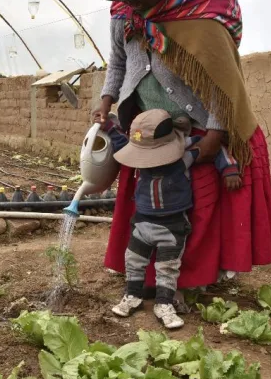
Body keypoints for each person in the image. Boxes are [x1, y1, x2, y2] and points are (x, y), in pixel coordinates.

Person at [94, 0, 271, 299]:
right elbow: (117, 63)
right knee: (151, 207)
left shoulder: (199, 15)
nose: (131, 1)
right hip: (149, 131)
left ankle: (192, 279)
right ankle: (150, 276)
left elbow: (222, 82)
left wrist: (216, 132)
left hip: (197, 127)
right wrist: (106, 101)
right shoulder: (122, 15)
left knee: (194, 206)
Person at [101, 110, 240, 329]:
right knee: (134, 261)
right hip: (142, 223)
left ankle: (164, 303)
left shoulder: (184, 156)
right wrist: (109, 125)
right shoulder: (140, 160)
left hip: (173, 226)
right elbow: (121, 141)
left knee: (168, 267)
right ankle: (133, 296)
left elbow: (214, 147)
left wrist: (230, 170)